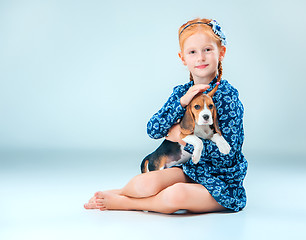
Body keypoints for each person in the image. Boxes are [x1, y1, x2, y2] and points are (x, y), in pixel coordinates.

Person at [84, 18, 247, 214]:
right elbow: (153, 129)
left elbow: (228, 153)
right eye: (192, 52)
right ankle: (121, 192)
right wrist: (182, 103)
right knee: (146, 183)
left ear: (221, 52)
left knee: (175, 194)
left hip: (222, 180)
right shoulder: (182, 93)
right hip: (190, 170)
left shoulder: (228, 96)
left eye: (207, 50)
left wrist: (181, 136)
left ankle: (126, 203)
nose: (200, 58)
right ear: (182, 58)